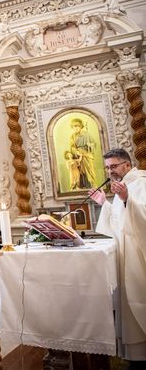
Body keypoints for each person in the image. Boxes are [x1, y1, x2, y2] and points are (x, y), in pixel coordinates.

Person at [90, 148, 146, 366]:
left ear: (126, 164)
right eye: (107, 167)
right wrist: (105, 203)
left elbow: (141, 218)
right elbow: (119, 223)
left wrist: (127, 199)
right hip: (126, 255)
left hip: (139, 256)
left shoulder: (140, 183)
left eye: (113, 166)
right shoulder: (123, 186)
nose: (110, 171)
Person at [69, 118, 96, 189]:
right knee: (80, 172)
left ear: (81, 126)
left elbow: (93, 144)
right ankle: (82, 186)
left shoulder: (87, 134)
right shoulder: (73, 136)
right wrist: (76, 152)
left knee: (89, 171)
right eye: (74, 126)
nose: (76, 128)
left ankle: (91, 185)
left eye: (77, 126)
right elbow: (72, 147)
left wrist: (90, 145)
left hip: (87, 155)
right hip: (78, 156)